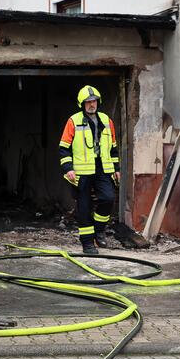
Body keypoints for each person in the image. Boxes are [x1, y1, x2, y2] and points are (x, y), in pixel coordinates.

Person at [59, 85, 121, 254]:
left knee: (108, 198)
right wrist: (68, 168)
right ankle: (87, 243)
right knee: (84, 207)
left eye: (94, 101)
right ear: (82, 104)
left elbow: (113, 148)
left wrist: (116, 168)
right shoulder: (73, 121)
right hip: (81, 172)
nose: (91, 104)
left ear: (98, 102)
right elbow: (64, 148)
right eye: (88, 102)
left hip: (103, 168)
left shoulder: (107, 121)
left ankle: (99, 230)